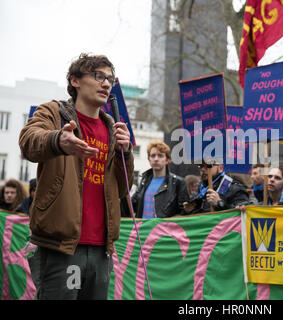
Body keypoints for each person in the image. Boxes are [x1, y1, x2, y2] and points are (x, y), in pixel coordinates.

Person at [19, 53, 134, 300]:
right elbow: (28, 142)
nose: (106, 83)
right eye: (98, 76)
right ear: (75, 81)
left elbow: (122, 190)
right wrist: (57, 140)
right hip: (62, 247)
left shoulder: (113, 129)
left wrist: (126, 154)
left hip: (102, 249)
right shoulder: (54, 112)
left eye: (110, 79)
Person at [125, 141, 190, 218]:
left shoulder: (178, 183)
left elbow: (184, 214)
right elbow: (131, 206)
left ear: (167, 160)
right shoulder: (144, 181)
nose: (156, 159)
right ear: (149, 159)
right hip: (142, 228)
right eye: (153, 156)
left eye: (160, 156)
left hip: (163, 229)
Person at [183, 161, 249, 213]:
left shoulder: (234, 187)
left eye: (208, 165)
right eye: (201, 166)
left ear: (220, 168)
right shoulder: (200, 188)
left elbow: (243, 212)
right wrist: (188, 211)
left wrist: (219, 203)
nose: (203, 169)